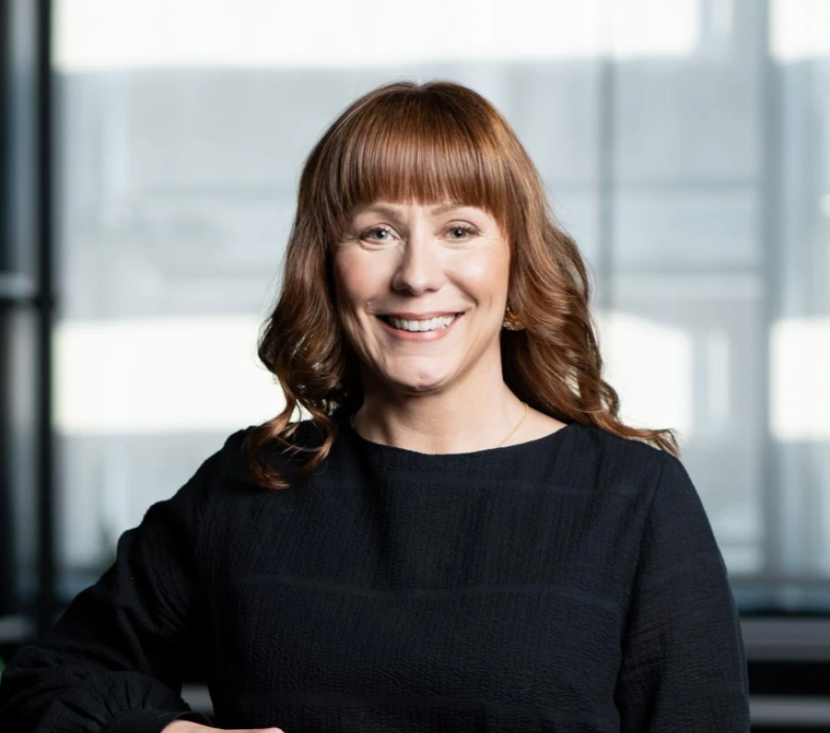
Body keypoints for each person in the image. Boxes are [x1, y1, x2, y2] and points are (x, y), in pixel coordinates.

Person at [0, 80, 750, 733]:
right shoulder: (251, 487)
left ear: (516, 268)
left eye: (459, 229)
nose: (417, 274)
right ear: (327, 266)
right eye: (378, 231)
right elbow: (47, 685)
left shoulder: (634, 500)